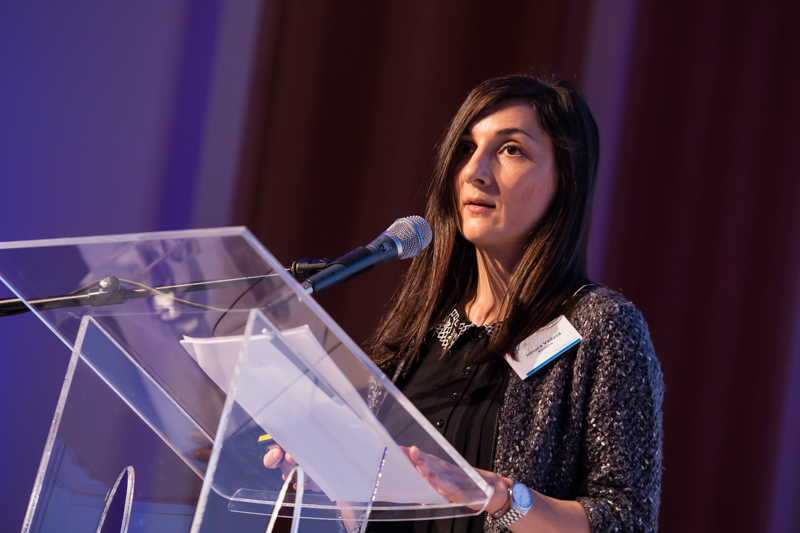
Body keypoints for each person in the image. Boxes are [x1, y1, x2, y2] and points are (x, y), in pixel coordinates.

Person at [268, 75, 663, 533]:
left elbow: (627, 521)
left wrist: (501, 497)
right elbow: (372, 514)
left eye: (511, 149)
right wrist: (330, 475)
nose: (475, 170)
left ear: (565, 181)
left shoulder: (601, 327)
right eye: (467, 148)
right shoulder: (421, 330)